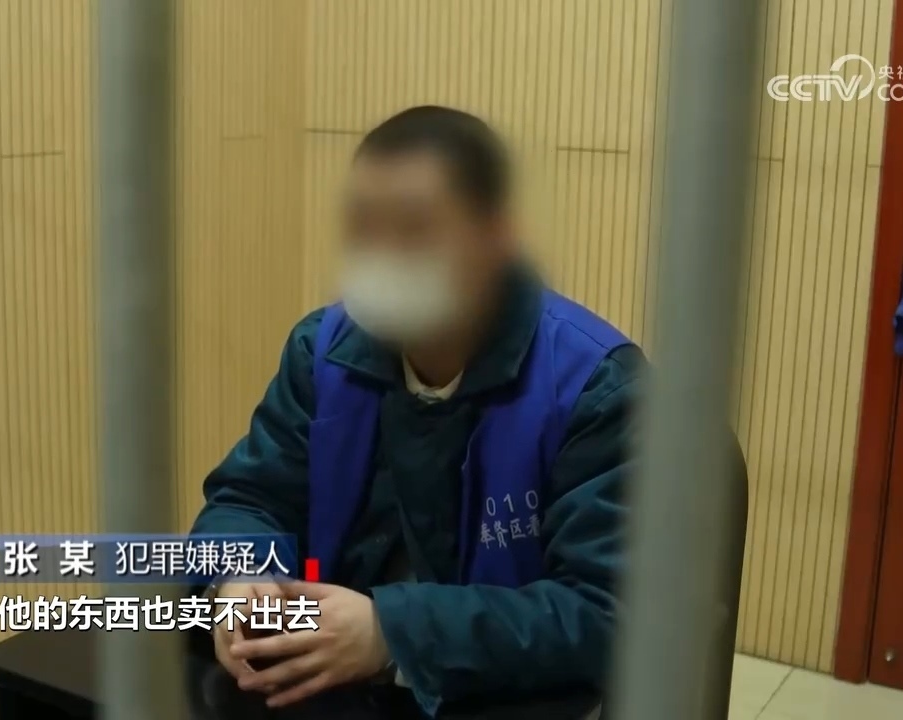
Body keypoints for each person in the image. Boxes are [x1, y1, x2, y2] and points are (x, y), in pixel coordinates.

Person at [189, 105, 644, 717]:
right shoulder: (321, 351)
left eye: (414, 230)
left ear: (497, 239)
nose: (382, 256)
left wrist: (392, 634)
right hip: (327, 687)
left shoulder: (595, 387)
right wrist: (238, 580)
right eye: (362, 229)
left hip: (501, 697)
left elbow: (605, 611)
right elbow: (250, 497)